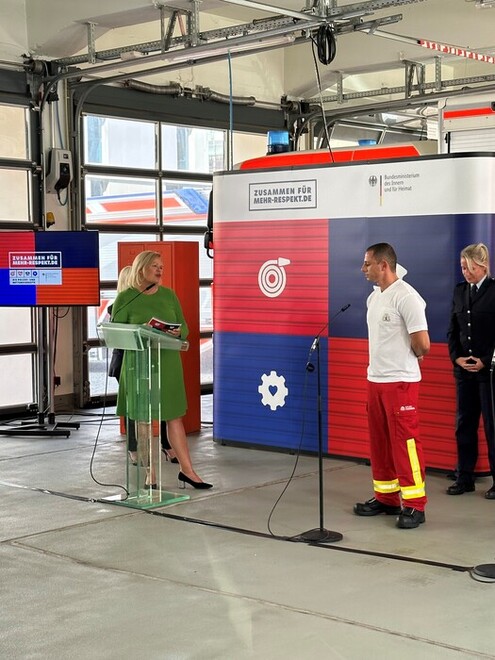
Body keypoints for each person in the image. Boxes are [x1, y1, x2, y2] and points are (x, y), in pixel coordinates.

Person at [111, 250, 212, 489]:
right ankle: (150, 474)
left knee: (174, 417)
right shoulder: (126, 298)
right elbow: (116, 334)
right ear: (141, 268)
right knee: (144, 420)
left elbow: (184, 327)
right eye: (154, 266)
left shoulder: (169, 295)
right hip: (139, 366)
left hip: (167, 363)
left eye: (161, 266)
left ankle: (188, 471)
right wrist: (141, 329)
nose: (159, 270)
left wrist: (177, 331)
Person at [354, 243, 430, 529]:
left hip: (401, 384)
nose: (363, 269)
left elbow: (422, 343)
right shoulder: (374, 298)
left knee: (405, 443)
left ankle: (414, 505)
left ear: (383, 265)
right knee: (380, 442)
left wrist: (405, 360)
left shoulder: (407, 297)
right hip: (375, 381)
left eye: (367, 264)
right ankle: (386, 498)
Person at [108, 264, 176, 467]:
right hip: (127, 363)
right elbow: (117, 335)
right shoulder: (119, 305)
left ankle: (166, 443)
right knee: (133, 407)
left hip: (154, 360)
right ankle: (133, 447)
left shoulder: (159, 300)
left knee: (160, 402)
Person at [446, 242, 495, 499]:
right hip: (464, 371)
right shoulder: (459, 291)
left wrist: (485, 360)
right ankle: (464, 478)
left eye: (470, 267)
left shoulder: (494, 290)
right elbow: (452, 330)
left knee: (492, 426)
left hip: (489, 373)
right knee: (464, 425)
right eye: (463, 267)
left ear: (483, 265)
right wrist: (457, 359)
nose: (465, 272)